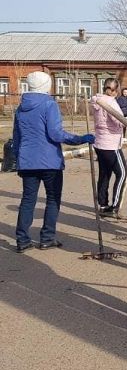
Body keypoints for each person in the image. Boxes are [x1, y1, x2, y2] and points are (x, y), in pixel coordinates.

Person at [12, 71, 94, 252]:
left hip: (27, 161)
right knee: (52, 198)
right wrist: (81, 139)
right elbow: (56, 134)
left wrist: (19, 159)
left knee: (27, 200)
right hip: (49, 161)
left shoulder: (20, 107)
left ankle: (22, 240)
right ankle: (47, 238)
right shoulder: (49, 104)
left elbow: (16, 137)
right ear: (46, 85)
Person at [92, 77, 127, 218]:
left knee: (105, 174)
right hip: (111, 144)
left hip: (100, 143)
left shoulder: (97, 100)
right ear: (115, 89)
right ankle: (115, 205)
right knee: (122, 173)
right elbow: (118, 121)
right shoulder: (110, 102)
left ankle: (103, 204)